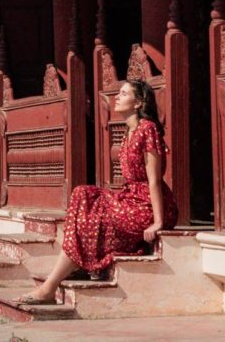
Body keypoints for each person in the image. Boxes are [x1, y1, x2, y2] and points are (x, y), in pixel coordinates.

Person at [17, 78, 177, 305]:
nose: (117, 97)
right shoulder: (128, 132)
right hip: (131, 198)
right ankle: (68, 271)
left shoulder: (147, 129)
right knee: (83, 194)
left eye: (123, 94)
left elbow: (154, 181)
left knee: (90, 210)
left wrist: (158, 222)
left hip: (147, 206)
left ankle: (49, 287)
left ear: (139, 102)